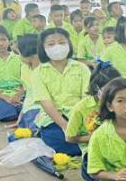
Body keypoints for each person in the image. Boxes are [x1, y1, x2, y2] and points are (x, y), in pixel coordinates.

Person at [33, 29, 91, 157]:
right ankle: (88, 142)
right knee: (57, 139)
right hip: (55, 119)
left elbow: (86, 98)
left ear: (69, 44)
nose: (57, 47)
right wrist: (65, 126)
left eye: (62, 42)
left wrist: (77, 122)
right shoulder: (38, 72)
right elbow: (46, 103)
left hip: (81, 115)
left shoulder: (81, 68)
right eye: (51, 44)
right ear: (43, 48)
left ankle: (86, 141)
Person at [65, 62, 122, 175]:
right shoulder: (81, 108)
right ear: (97, 88)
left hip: (120, 146)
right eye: (108, 90)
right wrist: (94, 137)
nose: (112, 94)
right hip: (93, 150)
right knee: (96, 169)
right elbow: (69, 138)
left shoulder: (122, 102)